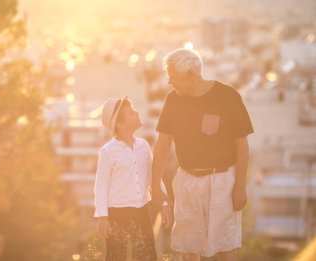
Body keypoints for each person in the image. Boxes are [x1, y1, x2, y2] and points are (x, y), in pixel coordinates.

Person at [151, 48, 254, 261]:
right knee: (189, 249)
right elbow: (162, 145)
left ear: (191, 75)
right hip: (187, 181)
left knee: (226, 246)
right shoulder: (173, 100)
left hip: (223, 183)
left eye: (173, 77)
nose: (170, 82)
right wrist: (155, 186)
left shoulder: (228, 96)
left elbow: (242, 147)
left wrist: (240, 187)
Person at [94, 95, 172, 261]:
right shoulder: (107, 152)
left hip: (142, 210)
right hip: (116, 214)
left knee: (147, 256)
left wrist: (164, 202)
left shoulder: (143, 146)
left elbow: (154, 176)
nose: (137, 113)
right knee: (116, 257)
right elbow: (100, 186)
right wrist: (102, 217)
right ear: (120, 124)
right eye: (131, 113)